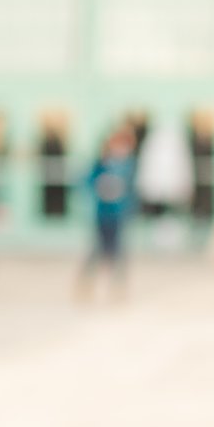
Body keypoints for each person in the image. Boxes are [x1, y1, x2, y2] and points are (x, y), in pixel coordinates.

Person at [78, 125, 137, 300]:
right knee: (97, 250)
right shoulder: (102, 163)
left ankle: (118, 289)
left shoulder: (130, 165)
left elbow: (133, 190)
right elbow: (87, 181)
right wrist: (101, 185)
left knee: (119, 252)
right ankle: (85, 286)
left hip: (120, 214)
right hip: (103, 214)